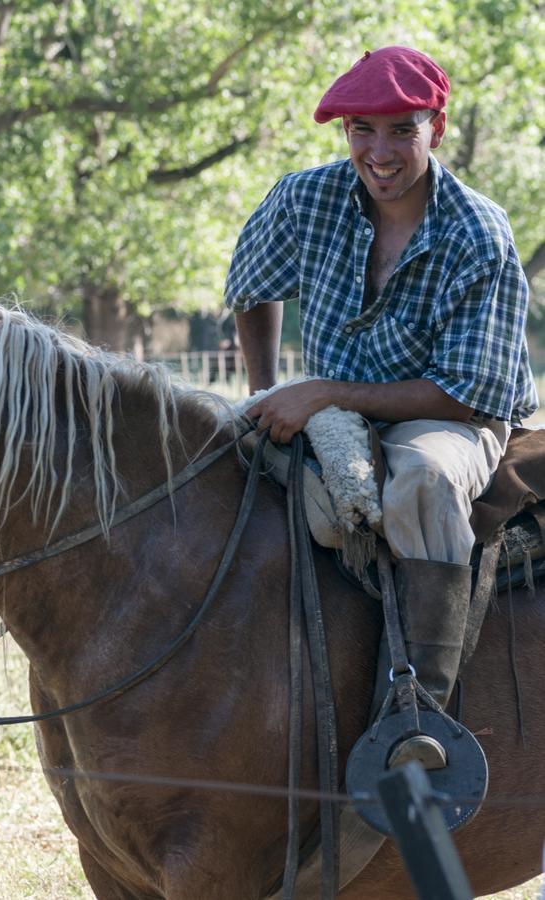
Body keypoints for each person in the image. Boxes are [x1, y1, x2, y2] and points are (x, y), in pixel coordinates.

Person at [224, 46, 539, 758]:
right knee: (218, 476)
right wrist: (265, 391)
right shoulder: (306, 197)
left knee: (422, 482)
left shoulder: (477, 231)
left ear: (439, 127)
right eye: (361, 129)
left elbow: (465, 393)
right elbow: (251, 284)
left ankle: (419, 712)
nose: (380, 150)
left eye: (402, 129)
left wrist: (323, 392)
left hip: (449, 412)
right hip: (334, 404)